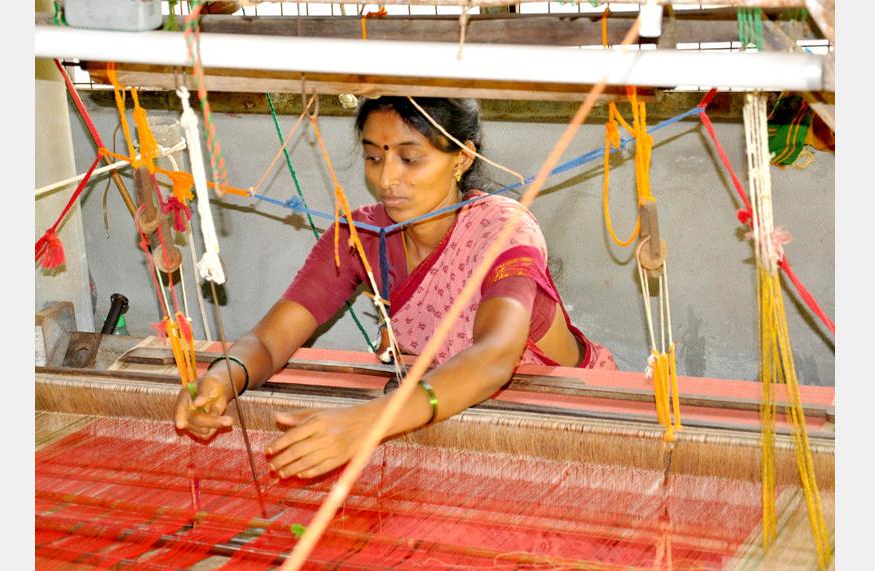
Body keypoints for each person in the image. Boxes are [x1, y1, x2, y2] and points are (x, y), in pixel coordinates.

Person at [174, 96, 617, 479]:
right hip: (457, 423)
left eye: (410, 158)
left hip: (576, 426)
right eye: (373, 157)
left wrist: (367, 422)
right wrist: (220, 379)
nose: (387, 179)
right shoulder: (361, 236)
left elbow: (494, 357)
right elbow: (270, 342)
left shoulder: (503, 230)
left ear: (462, 157)